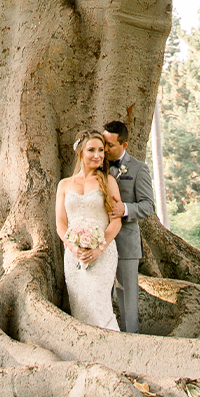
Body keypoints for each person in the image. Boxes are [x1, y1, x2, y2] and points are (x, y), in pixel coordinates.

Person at [55, 129, 123, 330]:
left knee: (99, 305)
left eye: (101, 150)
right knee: (81, 306)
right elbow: (60, 224)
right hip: (74, 256)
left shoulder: (108, 181)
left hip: (102, 253)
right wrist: (73, 248)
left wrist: (98, 249)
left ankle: (113, 350)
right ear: (81, 153)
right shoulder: (65, 185)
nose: (98, 155)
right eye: (92, 150)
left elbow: (116, 222)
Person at [103, 119, 155, 334]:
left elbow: (148, 206)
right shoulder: (97, 163)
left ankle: (131, 339)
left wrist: (125, 209)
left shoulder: (139, 169)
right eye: (104, 143)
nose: (105, 150)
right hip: (99, 241)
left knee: (127, 297)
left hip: (126, 242)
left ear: (124, 145)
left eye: (111, 146)